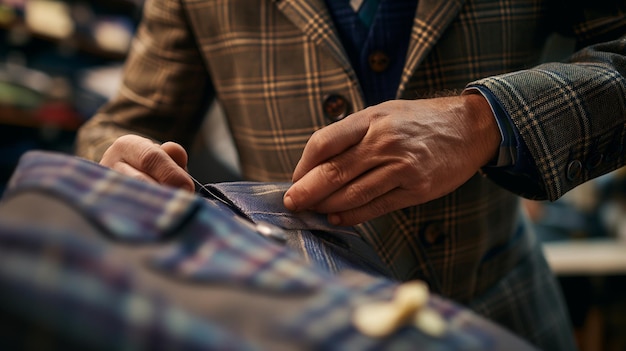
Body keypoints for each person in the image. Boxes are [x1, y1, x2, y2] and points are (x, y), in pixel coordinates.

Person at [76, 0, 626, 349]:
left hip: (500, 315)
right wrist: (119, 168)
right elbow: (126, 122)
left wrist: (483, 120)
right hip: (285, 330)